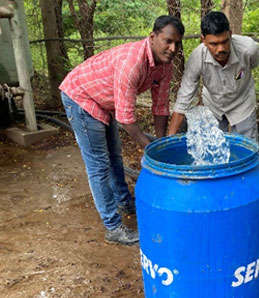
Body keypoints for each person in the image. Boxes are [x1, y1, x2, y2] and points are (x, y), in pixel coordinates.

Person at [59, 16, 184, 246]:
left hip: (105, 101)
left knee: (115, 154)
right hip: (81, 96)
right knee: (99, 164)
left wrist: (160, 143)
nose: (173, 48)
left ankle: (124, 201)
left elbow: (160, 106)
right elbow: (126, 119)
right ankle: (113, 228)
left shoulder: (165, 64)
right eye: (168, 41)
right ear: (153, 37)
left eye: (177, 43)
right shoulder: (132, 62)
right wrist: (152, 151)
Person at [168, 11, 259, 142]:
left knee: (247, 150)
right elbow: (184, 100)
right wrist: (169, 138)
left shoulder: (248, 49)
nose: (221, 49)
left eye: (224, 41)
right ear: (203, 40)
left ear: (230, 34)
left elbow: (253, 64)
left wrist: (240, 74)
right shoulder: (197, 58)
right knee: (213, 150)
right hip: (213, 106)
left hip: (243, 104)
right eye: (214, 44)